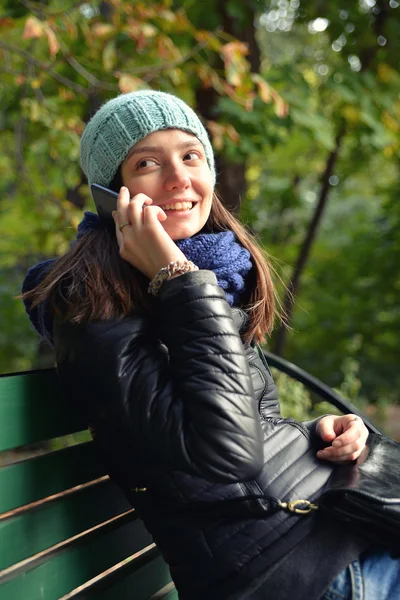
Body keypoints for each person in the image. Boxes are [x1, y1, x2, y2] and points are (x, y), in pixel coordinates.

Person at [21, 90, 399, 600]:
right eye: (147, 163)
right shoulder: (93, 311)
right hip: (289, 567)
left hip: (330, 529)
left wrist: (314, 435)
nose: (179, 178)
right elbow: (227, 452)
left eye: (190, 155)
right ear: (112, 195)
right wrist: (175, 276)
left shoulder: (212, 278)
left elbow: (234, 423)